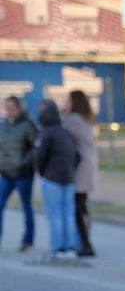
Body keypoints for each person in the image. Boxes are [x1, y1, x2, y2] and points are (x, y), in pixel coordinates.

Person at [32, 100, 81, 260]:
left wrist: (42, 172)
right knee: (68, 214)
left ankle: (57, 248)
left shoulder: (46, 133)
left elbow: (40, 156)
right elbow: (78, 156)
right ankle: (71, 248)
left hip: (52, 178)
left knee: (55, 215)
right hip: (68, 178)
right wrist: (71, 171)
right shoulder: (65, 133)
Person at [0, 95, 39, 252]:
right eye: (6, 108)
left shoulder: (28, 125)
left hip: (23, 174)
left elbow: (36, 146)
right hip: (6, 173)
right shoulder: (3, 126)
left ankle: (27, 240)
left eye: (12, 108)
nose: (9, 111)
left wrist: (25, 162)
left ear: (19, 108)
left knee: (26, 206)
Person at [63, 90, 99, 258]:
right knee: (82, 206)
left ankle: (85, 243)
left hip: (80, 168)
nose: (65, 104)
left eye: (68, 101)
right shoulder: (86, 119)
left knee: (78, 208)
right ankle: (85, 241)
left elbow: (59, 132)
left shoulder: (73, 120)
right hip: (87, 166)